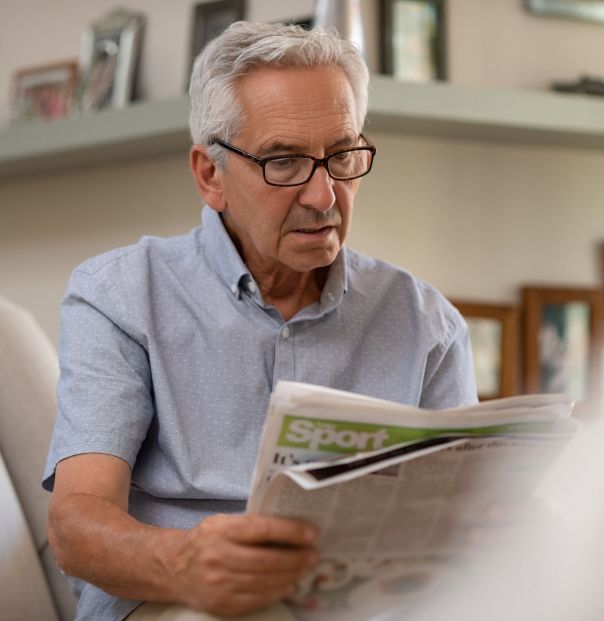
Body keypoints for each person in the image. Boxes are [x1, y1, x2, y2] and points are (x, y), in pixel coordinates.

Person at [44, 21, 477, 621]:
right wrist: (190, 563)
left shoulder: (428, 322)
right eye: (284, 161)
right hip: (173, 601)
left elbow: (454, 526)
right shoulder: (119, 295)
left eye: (342, 155)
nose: (324, 196)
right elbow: (77, 527)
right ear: (210, 175)